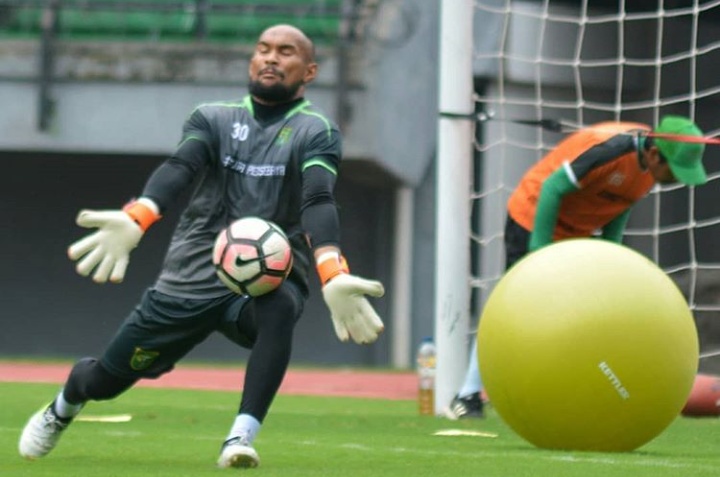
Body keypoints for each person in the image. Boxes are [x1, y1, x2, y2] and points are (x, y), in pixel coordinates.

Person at [18, 24, 385, 469]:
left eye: (285, 52)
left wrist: (331, 269)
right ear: (251, 60)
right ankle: (63, 406)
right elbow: (180, 167)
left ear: (308, 71)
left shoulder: (316, 130)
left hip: (262, 278)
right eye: (263, 49)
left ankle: (240, 437)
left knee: (281, 305)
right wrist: (140, 214)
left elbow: (318, 199)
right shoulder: (212, 117)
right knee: (104, 382)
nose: (271, 58)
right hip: (189, 279)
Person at [444, 115, 708, 419]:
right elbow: (553, 188)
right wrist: (539, 256)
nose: (676, 179)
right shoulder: (610, 151)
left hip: (577, 231)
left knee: (580, 314)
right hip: (533, 218)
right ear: (653, 154)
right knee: (516, 306)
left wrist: (611, 259)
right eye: (674, 171)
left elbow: (619, 207)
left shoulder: (649, 170)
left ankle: (560, 392)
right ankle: (467, 395)